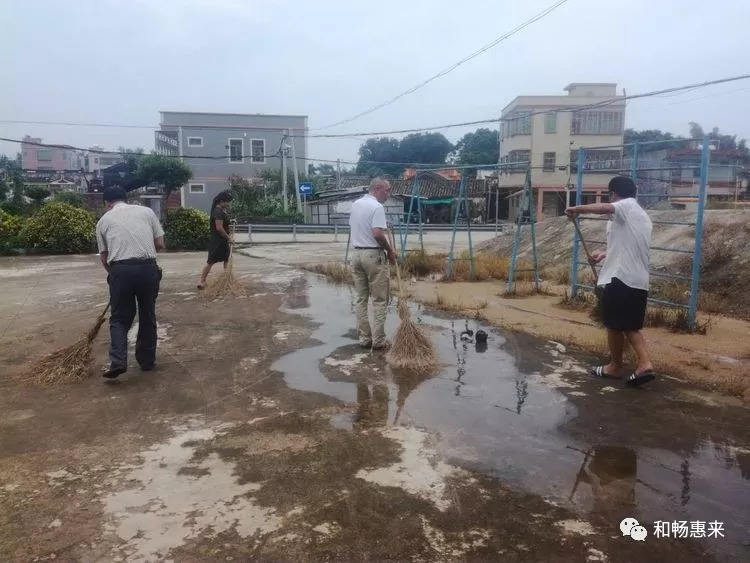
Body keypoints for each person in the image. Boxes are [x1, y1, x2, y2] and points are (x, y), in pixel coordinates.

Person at [565, 175, 655, 387]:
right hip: (637, 279)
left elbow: (604, 208)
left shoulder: (625, 206)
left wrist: (576, 209)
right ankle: (645, 364)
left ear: (614, 193)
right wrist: (604, 255)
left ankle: (615, 367)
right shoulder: (640, 215)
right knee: (630, 326)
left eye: (610, 195)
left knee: (614, 325)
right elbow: (628, 247)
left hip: (621, 278)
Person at [96, 186, 165, 379]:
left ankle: (118, 360)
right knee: (147, 314)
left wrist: (116, 275)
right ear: (125, 198)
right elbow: (159, 244)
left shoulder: (103, 221)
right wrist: (144, 261)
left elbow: (104, 257)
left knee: (119, 318)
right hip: (148, 269)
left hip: (121, 270)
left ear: (107, 203)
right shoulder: (147, 212)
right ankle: (147, 361)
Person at [348, 177, 397, 349]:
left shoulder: (356, 204)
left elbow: (362, 226)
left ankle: (364, 339)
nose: (388, 194)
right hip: (373, 255)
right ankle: (379, 340)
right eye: (387, 190)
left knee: (361, 299)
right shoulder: (377, 206)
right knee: (379, 300)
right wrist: (390, 250)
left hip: (357, 255)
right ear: (377, 188)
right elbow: (376, 233)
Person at [197, 191, 233, 290]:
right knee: (211, 261)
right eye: (227, 202)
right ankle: (202, 280)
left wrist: (231, 221)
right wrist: (228, 238)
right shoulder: (218, 212)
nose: (228, 204)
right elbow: (219, 228)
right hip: (218, 241)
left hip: (220, 240)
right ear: (221, 201)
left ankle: (227, 279)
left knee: (225, 259)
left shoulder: (220, 211)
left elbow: (224, 223)